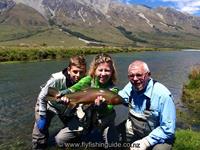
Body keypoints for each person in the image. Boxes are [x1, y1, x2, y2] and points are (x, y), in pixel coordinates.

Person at [55, 53, 119, 148]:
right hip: (86, 118)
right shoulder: (89, 80)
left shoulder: (113, 90)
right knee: (60, 139)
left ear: (112, 72)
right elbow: (77, 87)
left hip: (104, 121)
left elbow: (109, 109)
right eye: (100, 70)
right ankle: (78, 142)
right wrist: (65, 93)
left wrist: (101, 107)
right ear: (94, 70)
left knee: (113, 146)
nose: (103, 73)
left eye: (107, 70)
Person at [118, 60, 176, 150]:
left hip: (158, 137)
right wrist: (104, 99)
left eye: (139, 75)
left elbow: (168, 129)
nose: (135, 79)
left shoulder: (163, 95)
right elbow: (119, 98)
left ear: (148, 74)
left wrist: (146, 142)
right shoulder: (130, 86)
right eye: (131, 76)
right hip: (136, 132)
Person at [32, 55, 87, 149]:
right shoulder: (56, 79)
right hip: (48, 104)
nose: (78, 75)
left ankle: (72, 143)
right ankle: (39, 146)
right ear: (69, 69)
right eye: (75, 71)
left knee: (75, 130)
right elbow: (42, 96)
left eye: (81, 72)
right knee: (40, 132)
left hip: (65, 108)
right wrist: (42, 115)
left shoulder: (85, 81)